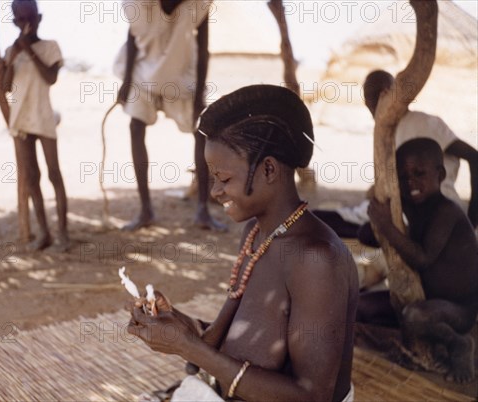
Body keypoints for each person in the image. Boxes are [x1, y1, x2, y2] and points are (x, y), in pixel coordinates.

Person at [127, 85, 358, 401]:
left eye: (223, 179)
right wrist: (181, 325)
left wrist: (187, 346)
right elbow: (240, 338)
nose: (214, 192)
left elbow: (313, 396)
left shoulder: (315, 259)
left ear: (268, 169)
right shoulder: (255, 233)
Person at [359, 138, 478, 383]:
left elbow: (423, 259)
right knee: (361, 307)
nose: (410, 181)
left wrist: (387, 227)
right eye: (403, 177)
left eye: (419, 173)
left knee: (414, 316)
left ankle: (459, 345)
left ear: (440, 174)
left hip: (458, 309)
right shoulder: (412, 208)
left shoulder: (447, 212)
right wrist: (380, 217)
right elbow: (365, 237)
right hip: (424, 298)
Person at [314, 70, 478, 245]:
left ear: (387, 94)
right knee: (318, 220)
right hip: (397, 213)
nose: (373, 111)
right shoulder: (386, 132)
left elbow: (474, 157)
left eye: (373, 102)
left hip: (429, 212)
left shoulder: (424, 123)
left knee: (368, 232)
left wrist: (472, 220)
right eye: (369, 105)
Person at [114, 0, 226, 231]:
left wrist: (199, 98)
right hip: (143, 72)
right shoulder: (142, 6)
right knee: (135, 128)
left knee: (201, 132)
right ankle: (146, 210)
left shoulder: (197, 6)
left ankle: (202, 210)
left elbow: (203, 50)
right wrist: (126, 82)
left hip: (181, 76)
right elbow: (133, 37)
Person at [1, 0, 69, 252]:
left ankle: (63, 232)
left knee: (54, 173)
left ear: (39, 18)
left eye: (30, 18)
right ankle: (45, 232)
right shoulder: (12, 50)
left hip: (42, 116)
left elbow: (50, 78)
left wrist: (29, 50)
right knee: (31, 177)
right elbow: (6, 86)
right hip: (21, 120)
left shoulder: (50, 47)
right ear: (14, 23)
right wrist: (15, 55)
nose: (26, 24)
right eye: (20, 19)